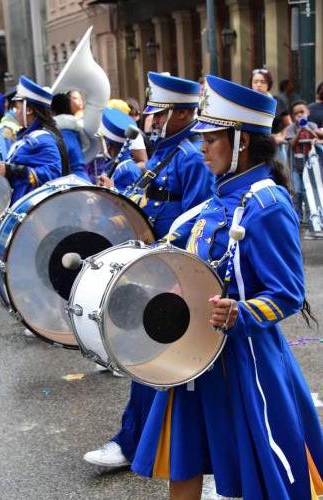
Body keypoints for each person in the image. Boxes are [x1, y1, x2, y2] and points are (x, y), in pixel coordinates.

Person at [130, 74, 323, 500]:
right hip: (195, 352)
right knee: (185, 454)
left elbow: (288, 293)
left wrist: (243, 312)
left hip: (246, 357)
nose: (202, 147)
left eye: (212, 138)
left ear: (242, 142)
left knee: (266, 465)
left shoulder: (267, 205)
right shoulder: (216, 200)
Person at [84, 71, 214, 469]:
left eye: (158, 113)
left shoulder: (192, 156)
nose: (150, 121)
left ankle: (133, 443)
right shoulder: (166, 151)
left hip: (173, 273)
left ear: (179, 114)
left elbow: (199, 218)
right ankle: (143, 441)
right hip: (154, 267)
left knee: (150, 356)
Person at [0, 75, 67, 204]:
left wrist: (14, 170)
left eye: (17, 108)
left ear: (28, 110)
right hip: (23, 203)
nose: (15, 112)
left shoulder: (44, 139)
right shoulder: (28, 135)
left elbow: (53, 172)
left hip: (36, 211)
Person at [285, 100, 320, 222]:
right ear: (293, 117)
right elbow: (291, 143)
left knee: (308, 191)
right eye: (296, 114)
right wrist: (300, 130)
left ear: (308, 112)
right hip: (296, 165)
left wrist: (307, 129)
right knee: (297, 191)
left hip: (310, 165)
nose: (299, 115)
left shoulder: (313, 126)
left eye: (302, 112)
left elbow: (317, 138)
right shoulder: (291, 128)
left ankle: (311, 218)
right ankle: (297, 217)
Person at [96, 107, 141, 192]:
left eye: (101, 141)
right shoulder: (112, 163)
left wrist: (111, 190)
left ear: (108, 145)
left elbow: (131, 202)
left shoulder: (129, 171)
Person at [51, 92, 90, 181]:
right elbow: (86, 145)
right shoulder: (77, 129)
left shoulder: (55, 133)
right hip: (84, 179)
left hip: (69, 182)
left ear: (53, 110)